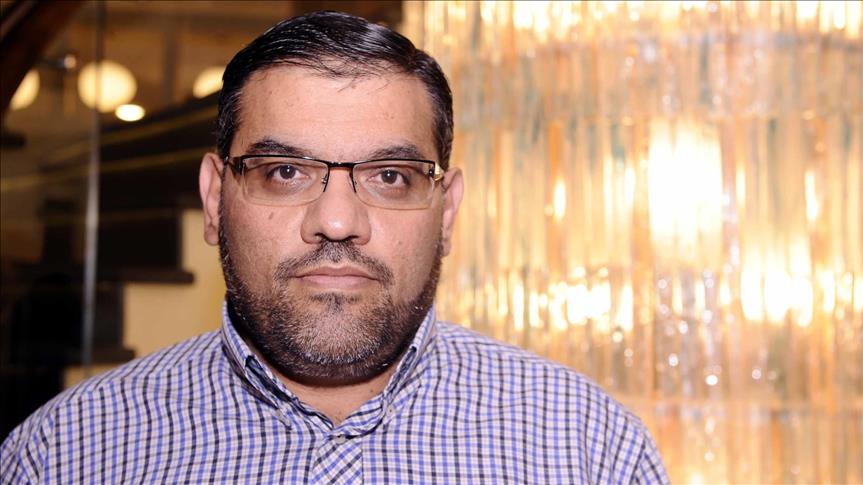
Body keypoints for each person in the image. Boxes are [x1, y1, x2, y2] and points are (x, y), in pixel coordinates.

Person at [0, 11, 668, 484]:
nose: (339, 221)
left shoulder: (589, 448)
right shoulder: (64, 454)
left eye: (390, 176)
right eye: (284, 171)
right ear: (214, 199)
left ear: (446, 211)